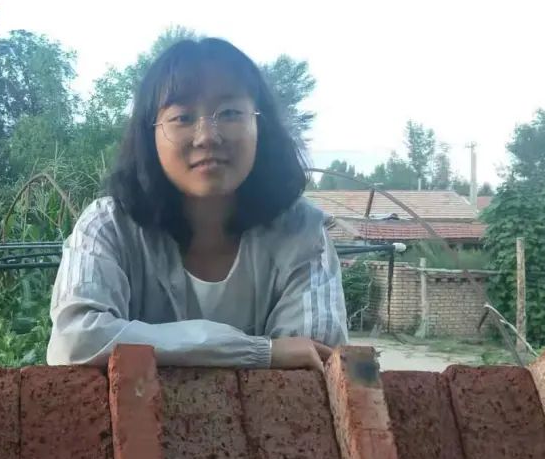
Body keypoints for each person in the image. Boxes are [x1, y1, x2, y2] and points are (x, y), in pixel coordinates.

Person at [46, 37, 347, 369]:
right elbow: (74, 341)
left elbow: (312, 363)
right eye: (182, 117)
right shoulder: (108, 228)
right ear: (150, 133)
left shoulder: (302, 233)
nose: (207, 136)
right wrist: (260, 352)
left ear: (260, 125)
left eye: (230, 113)